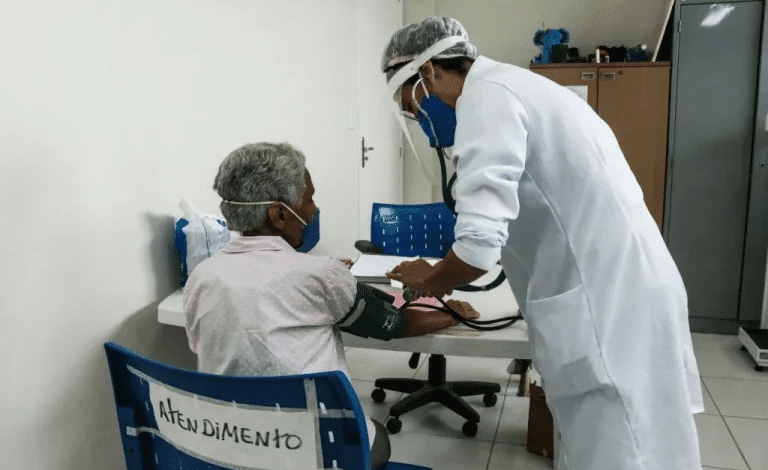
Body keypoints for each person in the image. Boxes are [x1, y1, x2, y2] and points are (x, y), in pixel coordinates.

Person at [381, 16, 704, 470]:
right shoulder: (518, 86)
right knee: (645, 445)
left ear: (428, 72)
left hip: (606, 311)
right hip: (624, 291)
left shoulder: (486, 98)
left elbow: (477, 247)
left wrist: (431, 278)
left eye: (413, 106)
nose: (421, 120)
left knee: (622, 452)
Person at [183, 142, 478, 469]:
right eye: (308, 199)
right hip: (313, 454)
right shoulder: (320, 274)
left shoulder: (201, 276)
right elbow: (393, 324)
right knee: (378, 433)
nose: (313, 210)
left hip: (231, 448)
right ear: (280, 215)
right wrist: (453, 314)